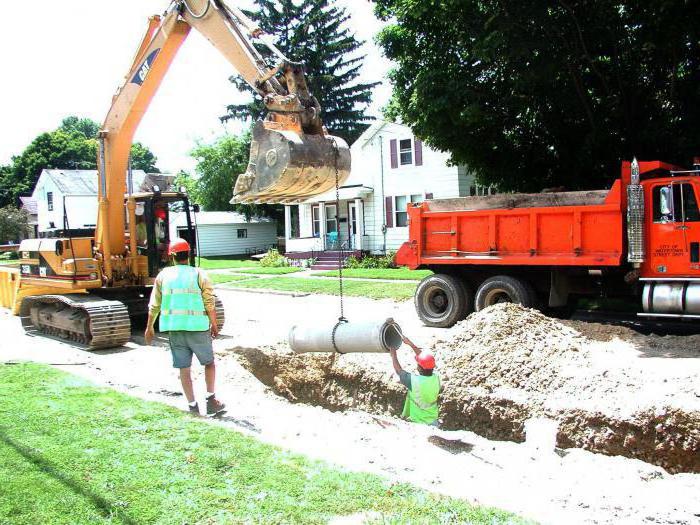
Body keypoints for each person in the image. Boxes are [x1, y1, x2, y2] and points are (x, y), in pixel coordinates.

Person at [145, 239, 225, 417]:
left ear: (171, 256)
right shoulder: (199, 274)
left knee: (184, 369)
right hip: (198, 328)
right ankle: (211, 401)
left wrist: (149, 327)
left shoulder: (163, 276)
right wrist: (214, 324)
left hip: (175, 329)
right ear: (188, 255)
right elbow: (209, 303)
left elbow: (154, 305)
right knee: (209, 363)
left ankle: (192, 406)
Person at [389, 334, 441, 426]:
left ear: (420, 368)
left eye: (418, 364)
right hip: (433, 421)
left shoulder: (414, 381)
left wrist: (393, 355)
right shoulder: (436, 378)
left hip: (419, 423)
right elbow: (424, 359)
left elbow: (399, 371)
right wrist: (410, 344)